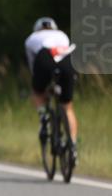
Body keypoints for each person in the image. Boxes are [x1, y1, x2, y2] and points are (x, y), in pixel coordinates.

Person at [25, 17, 78, 163]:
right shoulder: (62, 35)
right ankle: (73, 145)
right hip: (66, 61)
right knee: (67, 107)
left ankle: (43, 117)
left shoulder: (31, 39)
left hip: (44, 58)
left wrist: (39, 87)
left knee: (37, 92)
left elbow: (33, 65)